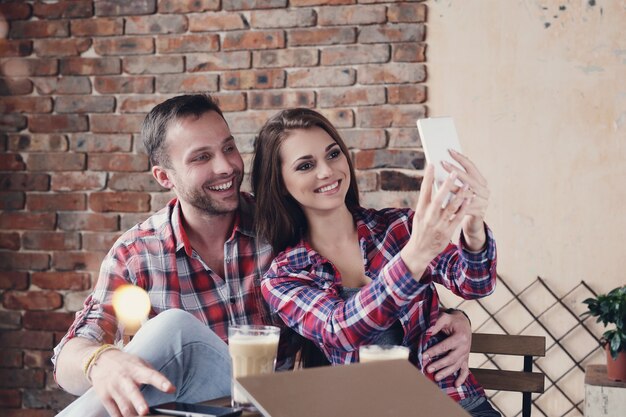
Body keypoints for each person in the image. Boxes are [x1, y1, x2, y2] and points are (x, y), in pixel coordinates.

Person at [53, 95, 478, 417]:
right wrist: (99, 362)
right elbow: (71, 356)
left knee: (174, 330)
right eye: (202, 157)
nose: (226, 167)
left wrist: (454, 318)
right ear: (165, 177)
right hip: (192, 408)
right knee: (171, 333)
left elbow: (359, 290)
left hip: (275, 405)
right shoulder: (137, 252)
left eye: (228, 147)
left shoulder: (283, 224)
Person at [251, 108, 500, 416]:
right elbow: (341, 329)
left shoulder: (398, 228)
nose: (327, 171)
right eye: (305, 165)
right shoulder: (284, 277)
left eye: (333, 154)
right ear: (280, 183)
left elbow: (474, 284)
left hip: (459, 405)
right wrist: (416, 254)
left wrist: (473, 229)